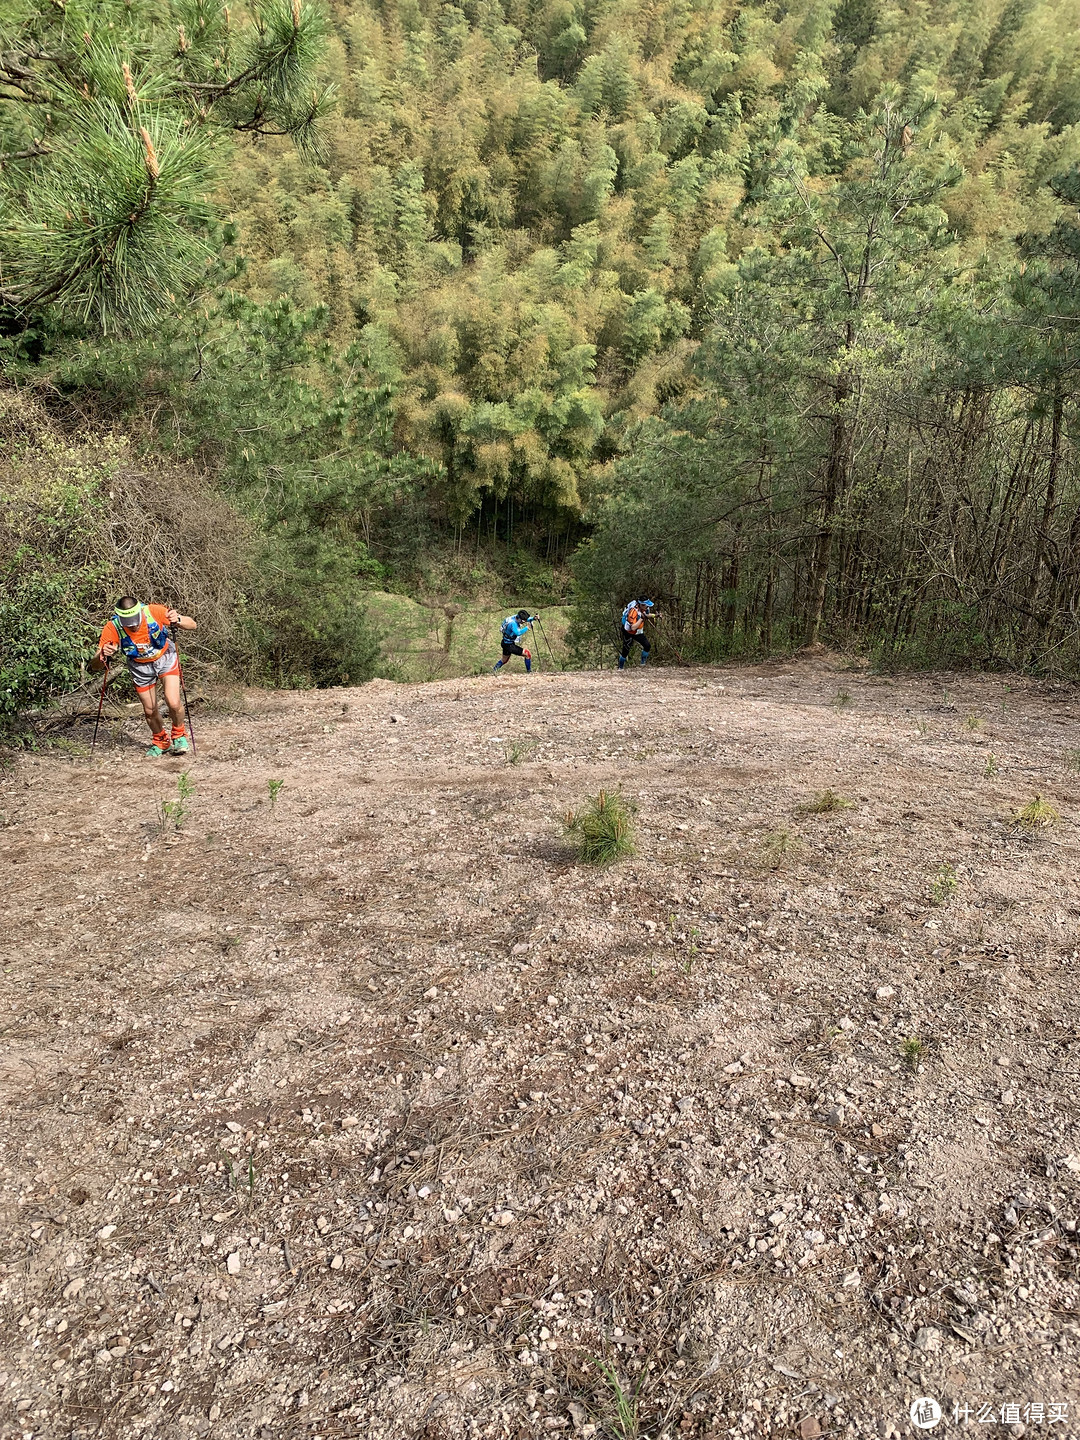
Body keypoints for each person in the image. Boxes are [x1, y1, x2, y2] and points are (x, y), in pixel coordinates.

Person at [93, 596, 197, 758]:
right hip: (139, 666)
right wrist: (102, 655)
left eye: (135, 620)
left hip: (165, 657)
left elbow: (192, 624)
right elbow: (96, 665)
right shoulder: (112, 627)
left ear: (140, 611)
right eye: (128, 622)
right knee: (149, 710)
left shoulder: (154, 612)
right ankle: (161, 741)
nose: (133, 625)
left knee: (173, 701)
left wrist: (177, 619)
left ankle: (179, 736)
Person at [618, 598, 657, 668]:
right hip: (628, 632)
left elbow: (646, 615)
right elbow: (633, 627)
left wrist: (655, 615)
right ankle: (620, 668)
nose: (647, 607)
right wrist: (642, 618)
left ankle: (643, 664)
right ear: (641, 605)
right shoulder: (633, 612)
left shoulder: (644, 609)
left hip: (638, 632)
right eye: (646, 606)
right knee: (625, 651)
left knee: (647, 645)